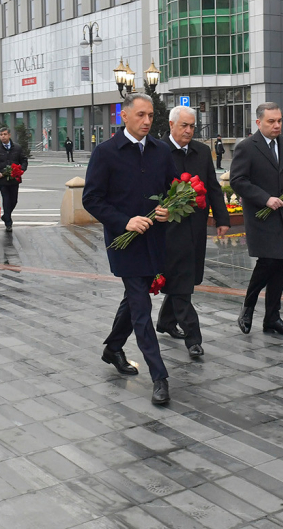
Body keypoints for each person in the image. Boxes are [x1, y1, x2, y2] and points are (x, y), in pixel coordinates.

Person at [83, 93, 175, 405]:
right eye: (140, 115)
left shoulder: (161, 151)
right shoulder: (106, 152)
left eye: (150, 115)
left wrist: (168, 209)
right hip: (124, 243)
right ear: (124, 116)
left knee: (134, 298)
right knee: (141, 307)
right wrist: (125, 222)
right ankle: (159, 376)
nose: (147, 121)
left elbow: (171, 191)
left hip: (155, 239)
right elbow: (91, 199)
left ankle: (113, 348)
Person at [157, 106, 230, 358]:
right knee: (181, 280)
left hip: (196, 227)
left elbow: (212, 187)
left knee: (186, 276)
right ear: (171, 125)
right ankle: (193, 338)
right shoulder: (158, 151)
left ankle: (166, 321)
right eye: (184, 126)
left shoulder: (201, 151)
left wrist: (222, 218)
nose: (188, 131)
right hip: (168, 228)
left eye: (192, 126)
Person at [230, 102, 283, 337]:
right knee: (267, 263)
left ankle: (272, 318)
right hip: (261, 217)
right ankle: (248, 307)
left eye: (279, 121)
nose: (277, 125)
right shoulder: (247, 147)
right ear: (258, 122)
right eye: (271, 121)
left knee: (280, 266)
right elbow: (238, 180)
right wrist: (265, 198)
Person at [0, 127, 28, 232]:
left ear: (9, 135)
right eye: (1, 135)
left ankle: (6, 215)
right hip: (2, 180)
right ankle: (8, 223)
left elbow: (24, 160)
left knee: (14, 200)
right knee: (6, 200)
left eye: (5, 134)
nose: (3, 136)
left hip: (14, 179)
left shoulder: (17, 148)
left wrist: (21, 170)